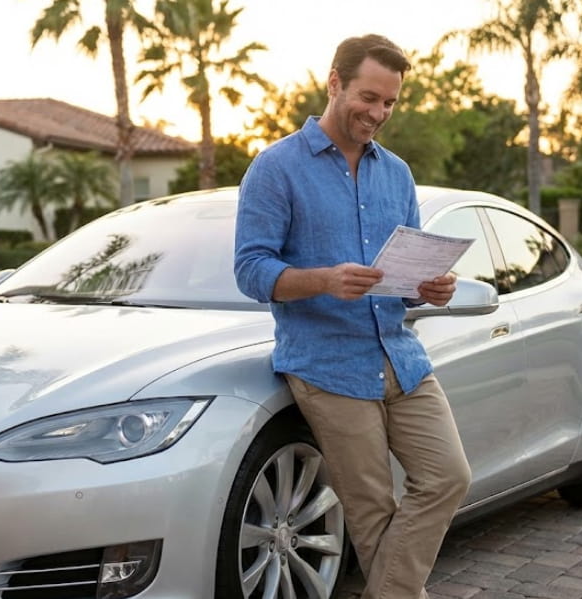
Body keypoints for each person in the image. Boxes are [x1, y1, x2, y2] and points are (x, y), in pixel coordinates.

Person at [233, 34, 471, 599]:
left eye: (389, 102)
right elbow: (250, 270)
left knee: (448, 477)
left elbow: (404, 276)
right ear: (334, 82)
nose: (378, 113)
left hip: (400, 358)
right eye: (369, 97)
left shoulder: (398, 174)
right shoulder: (275, 168)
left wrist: (429, 289)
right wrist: (324, 280)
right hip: (327, 364)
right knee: (372, 511)